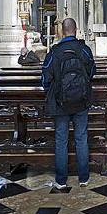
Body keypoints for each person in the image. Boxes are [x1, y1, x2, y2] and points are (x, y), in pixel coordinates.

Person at [42, 18, 96, 190]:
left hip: (60, 103)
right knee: (81, 138)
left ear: (62, 31)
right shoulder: (84, 50)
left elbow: (45, 78)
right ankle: (84, 178)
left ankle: (61, 180)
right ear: (76, 30)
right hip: (81, 101)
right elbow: (92, 72)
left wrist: (54, 91)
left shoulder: (54, 52)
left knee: (61, 140)